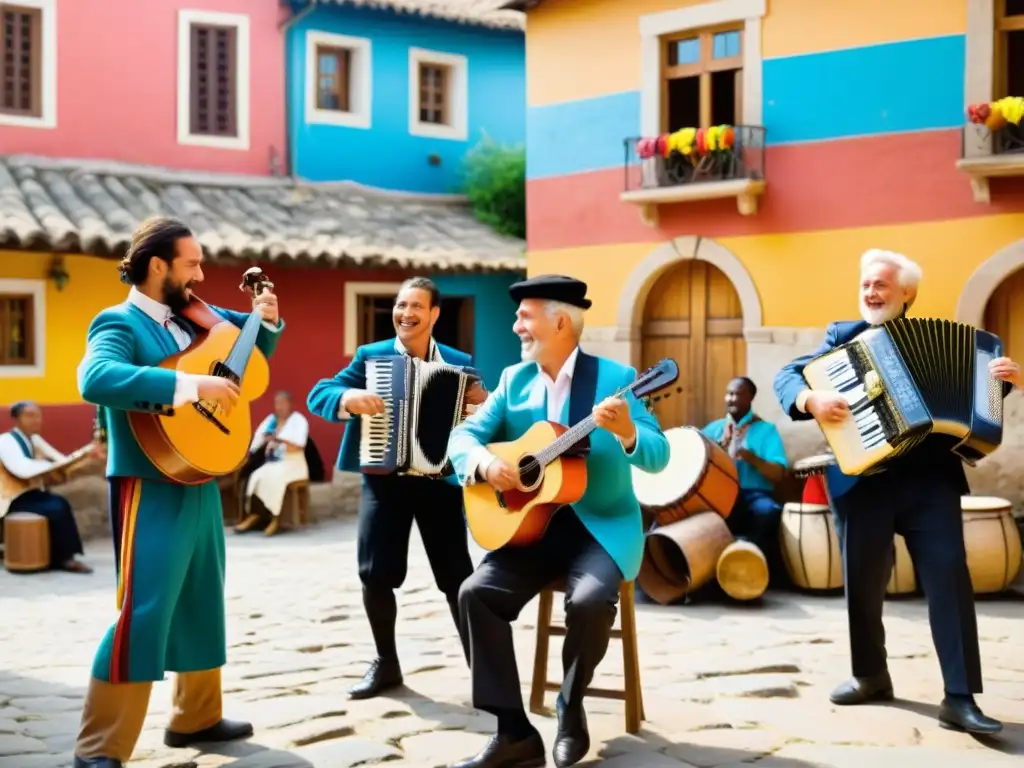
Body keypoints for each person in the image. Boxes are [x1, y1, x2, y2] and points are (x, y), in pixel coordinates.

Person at [773, 248, 1019, 735]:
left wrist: (1002, 384)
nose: (871, 293)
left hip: (931, 481)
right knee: (863, 584)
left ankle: (959, 697)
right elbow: (787, 377)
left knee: (950, 577)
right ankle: (869, 676)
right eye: (866, 284)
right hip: (863, 483)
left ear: (907, 293)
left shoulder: (960, 344)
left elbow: (979, 410)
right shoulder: (842, 337)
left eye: (881, 285)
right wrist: (810, 398)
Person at [72, 216, 284, 768]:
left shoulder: (197, 318)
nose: (201, 273)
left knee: (201, 597)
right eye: (191, 263)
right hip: (147, 482)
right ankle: (100, 746)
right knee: (144, 608)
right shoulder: (117, 321)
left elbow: (251, 351)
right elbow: (95, 379)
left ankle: (195, 718)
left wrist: (268, 319)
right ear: (158, 265)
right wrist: (190, 386)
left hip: (199, 475)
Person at [445, 275, 670, 768]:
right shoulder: (513, 381)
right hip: (531, 527)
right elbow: (462, 438)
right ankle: (514, 733)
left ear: (560, 321)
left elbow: (658, 455)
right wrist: (485, 465)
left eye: (525, 316)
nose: (516, 325)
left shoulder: (616, 379)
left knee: (589, 603)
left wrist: (630, 431)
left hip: (599, 525)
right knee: (474, 594)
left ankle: (571, 706)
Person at [307, 276, 487, 700]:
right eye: (401, 305)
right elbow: (320, 393)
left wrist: (480, 403)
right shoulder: (372, 357)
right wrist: (349, 398)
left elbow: (482, 411)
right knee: (376, 575)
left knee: (458, 577)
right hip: (384, 481)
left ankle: (483, 669)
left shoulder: (459, 362)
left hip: (439, 482)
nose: (405, 313)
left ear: (434, 315)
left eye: (416, 307)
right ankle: (386, 664)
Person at [701, 376, 788, 580]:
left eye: (737, 394)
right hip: (719, 494)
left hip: (754, 493)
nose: (731, 399)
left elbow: (779, 473)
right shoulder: (714, 430)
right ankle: (708, 576)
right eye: (729, 393)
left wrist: (753, 459)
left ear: (750, 398)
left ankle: (751, 571)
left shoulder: (767, 431)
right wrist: (716, 452)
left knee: (769, 512)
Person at [0, 401, 99, 573]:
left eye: (38, 415)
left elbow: (60, 460)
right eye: (29, 415)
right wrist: (47, 464)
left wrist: (84, 455)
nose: (36, 420)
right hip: (10, 499)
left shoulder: (34, 439)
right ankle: (64, 558)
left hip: (29, 494)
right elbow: (23, 470)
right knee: (56, 507)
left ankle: (59, 556)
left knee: (59, 503)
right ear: (16, 419)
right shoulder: (5, 441)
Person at [235, 391, 310, 536]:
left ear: (290, 404)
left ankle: (275, 518)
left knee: (275, 477)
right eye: (277, 403)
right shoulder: (271, 420)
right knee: (256, 476)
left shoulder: (298, 420)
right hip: (273, 462)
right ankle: (255, 515)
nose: (279, 407)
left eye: (283, 403)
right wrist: (265, 440)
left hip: (293, 462)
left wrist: (279, 440)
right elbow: (257, 441)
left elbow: (299, 446)